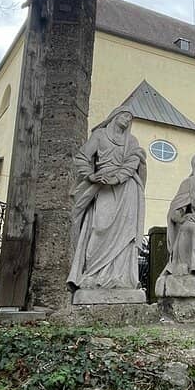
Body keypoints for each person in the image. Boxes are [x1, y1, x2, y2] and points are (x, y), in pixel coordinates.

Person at [68, 109, 146, 292]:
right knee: (99, 227)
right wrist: (91, 176)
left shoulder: (131, 141)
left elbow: (133, 161)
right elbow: (82, 157)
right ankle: (91, 274)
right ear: (114, 116)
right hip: (102, 185)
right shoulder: (100, 135)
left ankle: (120, 277)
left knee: (125, 233)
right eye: (125, 115)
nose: (127, 120)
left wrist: (118, 177)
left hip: (126, 188)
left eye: (130, 118)